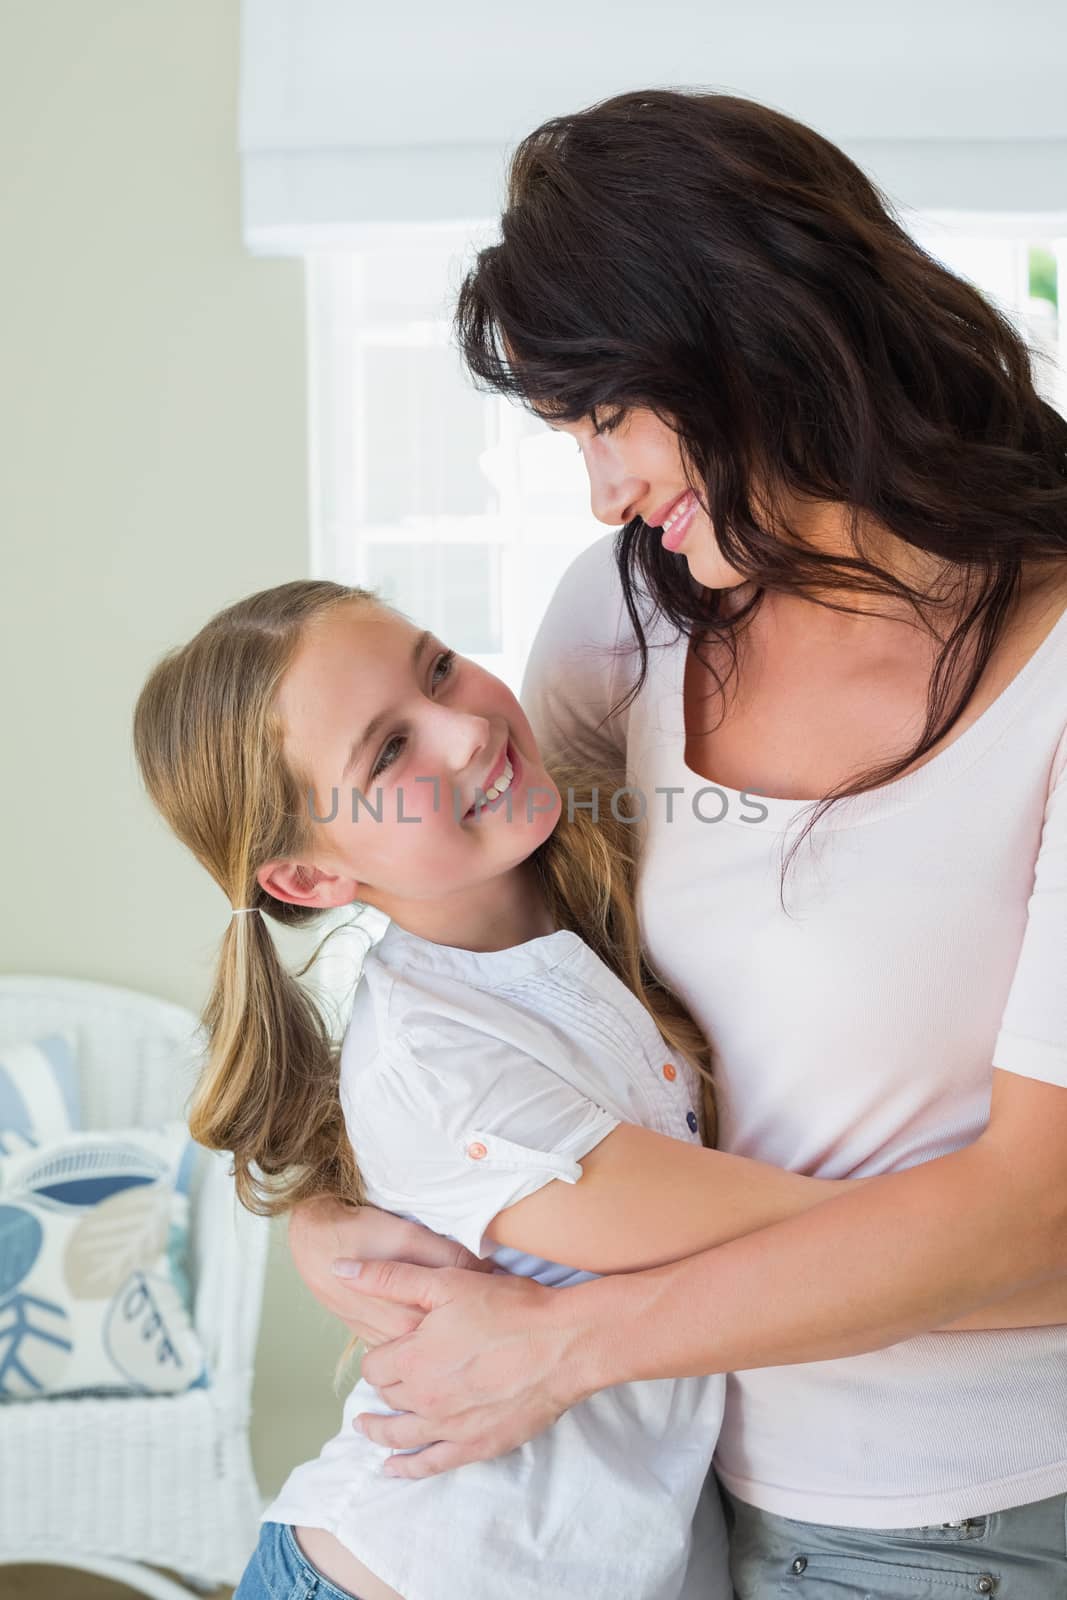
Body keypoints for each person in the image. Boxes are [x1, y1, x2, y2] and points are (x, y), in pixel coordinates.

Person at [288, 90, 1067, 1595]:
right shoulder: (621, 615)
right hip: (680, 1506)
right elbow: (470, 989)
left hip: (959, 1515)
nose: (602, 488)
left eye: (601, 417)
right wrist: (336, 1224)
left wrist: (563, 1343)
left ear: (754, 338)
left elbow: (1038, 1211)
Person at [135, 579, 966, 1599]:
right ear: (308, 880)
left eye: (437, 665)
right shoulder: (441, 1068)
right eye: (388, 750)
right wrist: (1012, 1239)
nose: (462, 726)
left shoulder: (598, 891)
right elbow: (826, 1251)